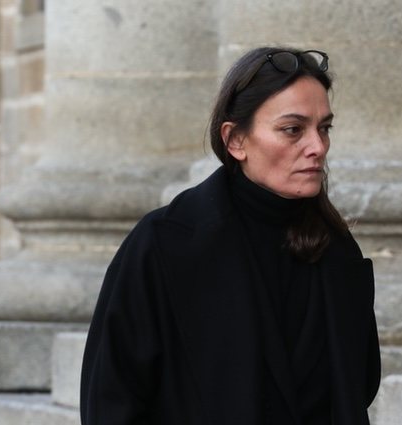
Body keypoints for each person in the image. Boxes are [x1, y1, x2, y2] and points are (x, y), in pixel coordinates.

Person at [80, 46, 381, 425]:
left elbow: (357, 389)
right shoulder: (163, 244)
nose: (318, 147)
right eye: (293, 130)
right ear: (235, 140)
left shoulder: (337, 251)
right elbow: (111, 401)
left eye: (324, 128)